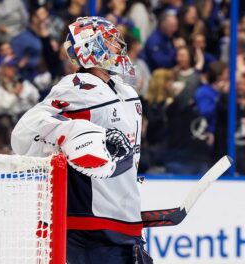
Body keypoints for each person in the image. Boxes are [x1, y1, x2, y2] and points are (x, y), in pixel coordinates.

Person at [11, 17, 152, 263]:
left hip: (127, 223)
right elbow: (23, 135)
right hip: (89, 227)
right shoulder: (75, 88)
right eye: (110, 41)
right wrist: (69, 132)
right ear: (91, 48)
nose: (119, 46)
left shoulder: (128, 93)